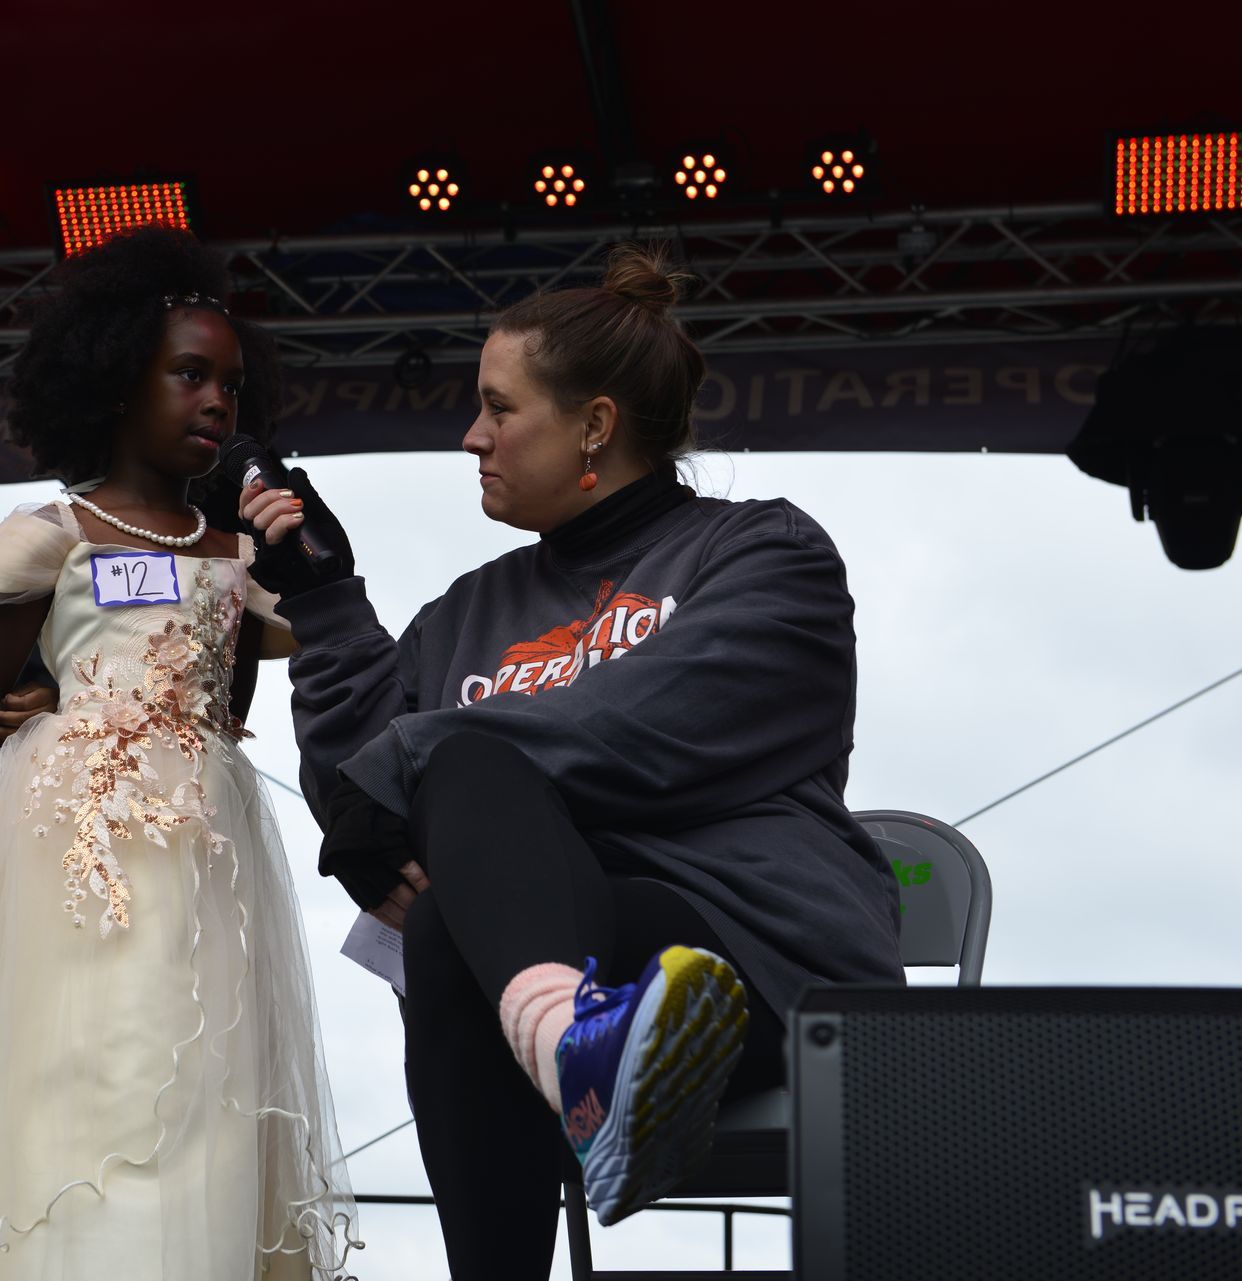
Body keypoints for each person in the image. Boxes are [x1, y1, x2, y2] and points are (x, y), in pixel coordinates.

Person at [239, 244, 904, 1276]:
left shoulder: (765, 553)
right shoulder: (465, 612)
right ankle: (572, 1049)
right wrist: (325, 605)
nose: (471, 436)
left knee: (461, 784)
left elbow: (644, 725)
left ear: (595, 424)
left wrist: (424, 766)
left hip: (753, 956)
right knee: (454, 920)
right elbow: (358, 793)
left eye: (500, 409)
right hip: (546, 971)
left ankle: (565, 1044)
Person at [0, 226, 359, 1279]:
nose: (217, 402)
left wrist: (292, 550)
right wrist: (56, 714)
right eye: (191, 375)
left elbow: (227, 705)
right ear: (119, 380)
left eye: (233, 386)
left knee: (198, 1065)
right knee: (71, 1061)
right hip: (75, 844)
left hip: (203, 841)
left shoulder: (237, 557)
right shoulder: (57, 535)